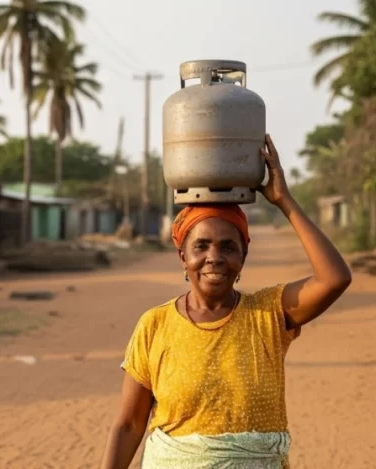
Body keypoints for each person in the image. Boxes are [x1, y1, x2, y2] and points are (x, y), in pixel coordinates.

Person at [99, 134, 352, 469]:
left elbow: (334, 278)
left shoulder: (269, 314)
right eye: (201, 246)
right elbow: (129, 424)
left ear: (243, 257)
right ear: (182, 256)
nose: (214, 258)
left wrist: (284, 201)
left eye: (228, 247)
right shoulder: (154, 325)